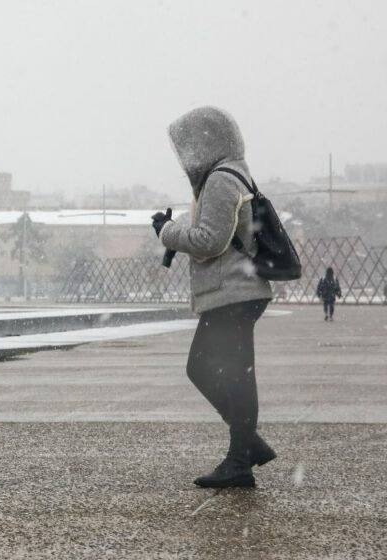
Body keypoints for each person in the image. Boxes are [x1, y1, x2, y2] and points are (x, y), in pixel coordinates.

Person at [151, 106, 276, 488]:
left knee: (209, 368)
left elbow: (210, 241)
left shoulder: (222, 179)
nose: (186, 156)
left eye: (188, 146)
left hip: (232, 293)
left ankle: (242, 455)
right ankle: (245, 447)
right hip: (238, 291)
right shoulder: (235, 172)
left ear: (206, 143)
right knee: (235, 372)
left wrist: (167, 231)